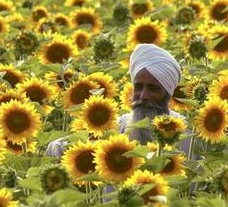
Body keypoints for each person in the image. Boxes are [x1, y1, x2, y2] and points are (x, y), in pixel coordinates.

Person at [46, 43, 194, 158]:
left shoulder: (186, 134)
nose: (143, 96)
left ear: (168, 95)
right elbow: (58, 147)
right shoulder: (118, 127)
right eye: (139, 87)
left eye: (153, 89)